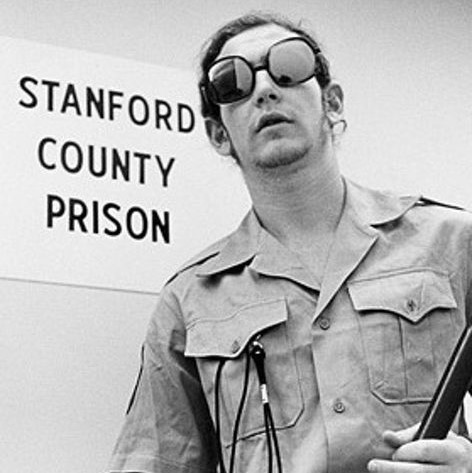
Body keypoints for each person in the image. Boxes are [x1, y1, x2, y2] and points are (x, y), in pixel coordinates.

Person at [107, 11, 472, 473]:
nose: (263, 89)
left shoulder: (453, 244)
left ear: (333, 103)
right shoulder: (189, 301)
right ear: (220, 134)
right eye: (233, 83)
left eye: (288, 66)